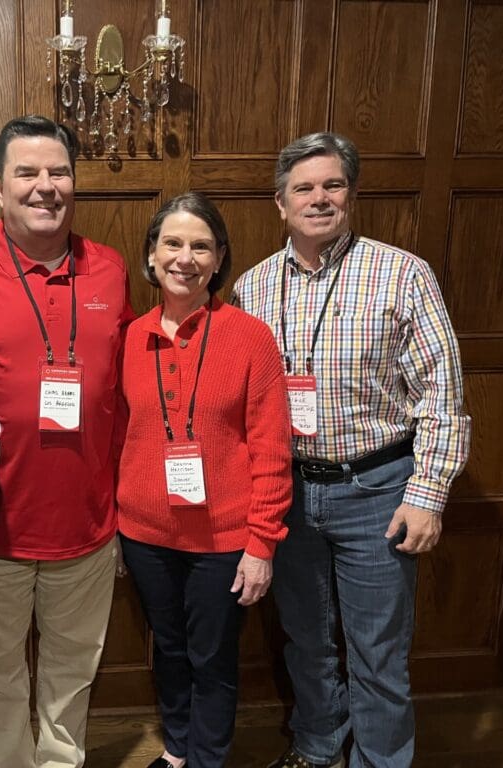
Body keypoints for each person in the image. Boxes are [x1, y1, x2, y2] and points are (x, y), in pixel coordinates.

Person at [230, 132, 471, 768]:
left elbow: (442, 399)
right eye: (303, 188)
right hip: (290, 494)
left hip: (378, 492)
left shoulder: (402, 273)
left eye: (332, 185)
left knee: (378, 649)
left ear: (351, 195)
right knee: (305, 642)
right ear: (279, 203)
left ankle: (381, 760)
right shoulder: (250, 289)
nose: (319, 198)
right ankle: (317, 746)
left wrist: (427, 496)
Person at [0, 114, 134, 768]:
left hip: (89, 521)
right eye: (27, 173)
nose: (45, 187)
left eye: (59, 172)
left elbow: (126, 394)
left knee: (73, 668)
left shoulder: (111, 270)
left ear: (75, 182)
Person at [117, 192, 293, 768]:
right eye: (172, 243)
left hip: (224, 539)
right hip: (145, 535)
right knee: (168, 650)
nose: (185, 258)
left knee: (212, 658)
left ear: (219, 259)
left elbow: (272, 448)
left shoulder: (250, 337)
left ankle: (207, 760)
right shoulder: (129, 338)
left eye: (201, 246)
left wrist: (261, 543)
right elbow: (120, 435)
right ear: (151, 253)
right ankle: (176, 752)